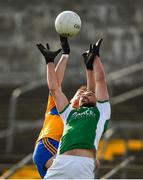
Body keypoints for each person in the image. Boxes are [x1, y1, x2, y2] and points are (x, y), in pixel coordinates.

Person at [37, 38, 111, 179]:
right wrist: (49, 62)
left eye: (89, 94)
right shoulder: (69, 112)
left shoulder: (102, 111)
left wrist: (95, 58)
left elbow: (100, 79)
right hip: (61, 162)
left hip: (84, 165)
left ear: (97, 99)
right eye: (82, 95)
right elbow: (54, 89)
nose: (85, 95)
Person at [33, 36, 87, 178]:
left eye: (84, 97)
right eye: (79, 93)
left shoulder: (78, 117)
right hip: (46, 146)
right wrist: (65, 55)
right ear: (73, 96)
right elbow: (55, 84)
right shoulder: (58, 105)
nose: (81, 97)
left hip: (58, 151)